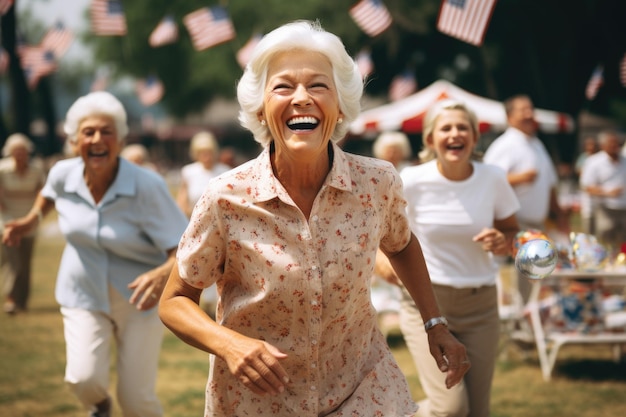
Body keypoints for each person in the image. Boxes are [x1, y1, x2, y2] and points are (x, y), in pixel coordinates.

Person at [158, 20, 470, 417]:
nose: (301, 98)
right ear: (260, 107)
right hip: (258, 403)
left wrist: (434, 323)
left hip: (363, 388)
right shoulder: (225, 197)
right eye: (283, 87)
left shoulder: (377, 183)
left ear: (340, 106)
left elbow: (402, 243)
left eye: (318, 85)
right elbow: (174, 301)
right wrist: (229, 344)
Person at [2, 91, 188, 417]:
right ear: (75, 142)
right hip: (82, 291)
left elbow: (185, 247)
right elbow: (48, 194)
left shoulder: (148, 186)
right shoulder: (63, 173)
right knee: (83, 379)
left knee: (136, 400)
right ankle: (99, 406)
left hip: (139, 300)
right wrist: (31, 219)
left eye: (107, 131)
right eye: (88, 132)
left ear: (119, 141)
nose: (97, 138)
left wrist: (162, 274)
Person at [393, 100, 520, 417]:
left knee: (477, 411)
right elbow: (387, 238)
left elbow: (512, 233)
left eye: (463, 127)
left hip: (481, 307)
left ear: (475, 138)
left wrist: (501, 240)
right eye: (446, 128)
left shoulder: (493, 178)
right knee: (450, 409)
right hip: (428, 305)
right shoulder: (412, 180)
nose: (455, 133)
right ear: (430, 139)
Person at [483, 94, 568, 304]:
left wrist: (559, 214)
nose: (529, 114)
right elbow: (486, 181)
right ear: (509, 117)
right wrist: (520, 178)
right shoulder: (504, 145)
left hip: (535, 224)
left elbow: (549, 184)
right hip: (510, 222)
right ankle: (503, 316)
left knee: (531, 275)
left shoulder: (537, 144)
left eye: (531, 109)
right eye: (523, 110)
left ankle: (527, 319)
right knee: (495, 271)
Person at [0, 133, 46, 314]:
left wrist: (31, 218)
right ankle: (11, 299)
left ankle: (22, 302)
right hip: (7, 221)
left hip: (29, 220)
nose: (20, 155)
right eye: (16, 152)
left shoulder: (36, 170)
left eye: (23, 151)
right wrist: (10, 222)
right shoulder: (2, 170)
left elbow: (41, 194)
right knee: (14, 264)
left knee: (26, 265)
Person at [579, 130, 626, 250]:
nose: (615, 147)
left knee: (622, 242)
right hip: (604, 208)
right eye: (612, 144)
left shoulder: (624, 161)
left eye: (616, 144)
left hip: (623, 208)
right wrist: (608, 193)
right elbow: (587, 187)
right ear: (603, 146)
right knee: (605, 238)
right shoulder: (594, 162)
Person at [176, 130, 231, 218]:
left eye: (209, 152)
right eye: (202, 153)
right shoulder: (188, 171)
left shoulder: (225, 171)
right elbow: (182, 203)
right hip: (194, 220)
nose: (206, 156)